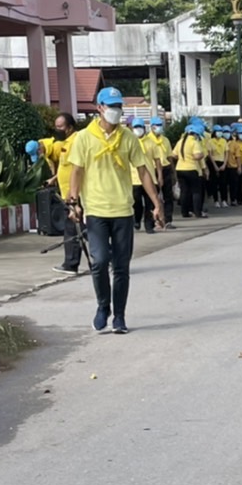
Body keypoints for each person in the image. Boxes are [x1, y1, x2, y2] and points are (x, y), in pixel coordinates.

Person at [65, 87, 150, 334]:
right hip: (96, 211)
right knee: (100, 261)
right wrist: (74, 202)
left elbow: (142, 170)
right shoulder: (84, 137)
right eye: (111, 106)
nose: (116, 111)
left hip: (123, 210)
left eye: (118, 106)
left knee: (122, 267)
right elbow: (77, 171)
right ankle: (104, 306)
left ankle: (120, 317)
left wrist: (157, 202)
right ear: (99, 107)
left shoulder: (129, 137)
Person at [38, 112, 82, 274]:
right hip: (67, 194)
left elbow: (77, 169)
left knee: (79, 230)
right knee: (78, 230)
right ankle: (73, 263)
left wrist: (73, 196)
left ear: (69, 127)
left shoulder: (76, 142)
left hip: (75, 194)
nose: (57, 130)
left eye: (60, 127)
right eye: (56, 127)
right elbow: (64, 166)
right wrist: (53, 179)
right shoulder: (65, 142)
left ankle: (72, 264)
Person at [128, 116, 167, 235]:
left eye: (140, 127)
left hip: (150, 178)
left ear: (144, 128)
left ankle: (149, 226)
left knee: (150, 203)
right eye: (135, 127)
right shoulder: (130, 142)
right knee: (137, 203)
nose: (138, 129)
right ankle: (137, 220)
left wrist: (159, 176)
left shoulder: (151, 142)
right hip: (134, 179)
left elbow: (157, 161)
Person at [174, 119, 209, 219]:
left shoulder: (180, 142)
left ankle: (184, 212)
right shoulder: (194, 142)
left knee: (184, 191)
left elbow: (174, 155)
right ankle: (197, 212)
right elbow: (197, 156)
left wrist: (183, 157)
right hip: (192, 169)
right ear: (196, 134)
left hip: (180, 168)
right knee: (196, 192)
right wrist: (201, 155)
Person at [150, 117, 176, 226]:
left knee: (168, 196)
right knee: (153, 196)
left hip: (165, 169)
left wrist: (173, 172)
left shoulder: (165, 140)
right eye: (156, 125)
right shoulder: (148, 140)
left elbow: (169, 157)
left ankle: (168, 220)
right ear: (151, 127)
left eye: (160, 125)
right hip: (152, 170)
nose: (159, 127)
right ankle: (155, 220)